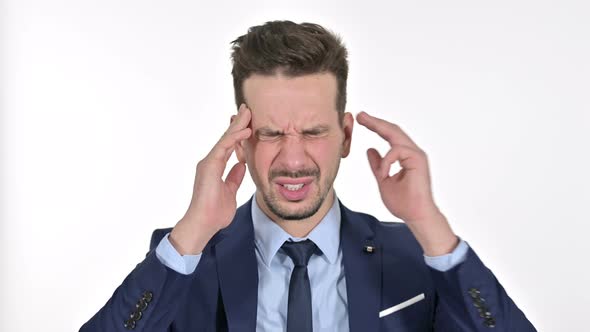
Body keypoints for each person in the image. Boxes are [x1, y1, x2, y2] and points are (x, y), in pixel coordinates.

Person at [80, 20, 536, 331]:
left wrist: (431, 226)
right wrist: (192, 233)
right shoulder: (186, 260)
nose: (293, 159)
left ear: (345, 136)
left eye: (314, 131)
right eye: (272, 132)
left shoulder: (415, 256)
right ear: (240, 138)